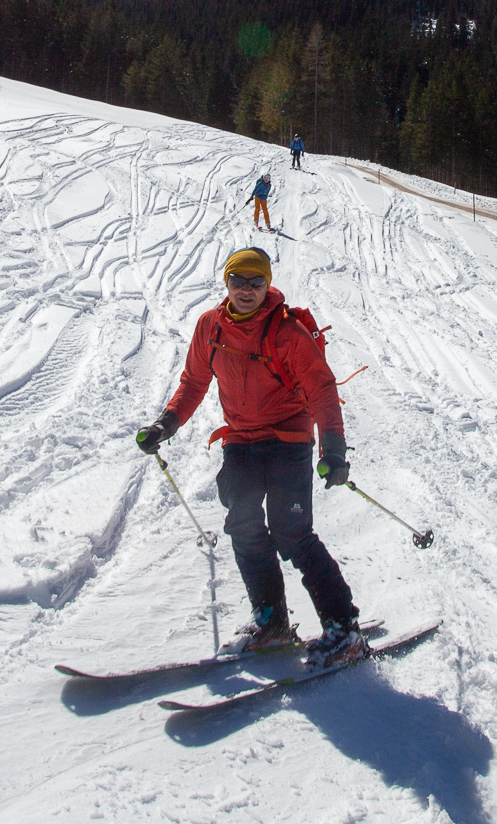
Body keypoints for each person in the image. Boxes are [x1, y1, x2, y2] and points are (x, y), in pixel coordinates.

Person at [135, 246, 363, 661]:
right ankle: (271, 620)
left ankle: (344, 628)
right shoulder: (211, 326)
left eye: (256, 281)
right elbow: (194, 382)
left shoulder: (288, 332)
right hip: (241, 438)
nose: (246, 289)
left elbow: (322, 388)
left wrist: (333, 447)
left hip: (288, 439)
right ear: (226, 283)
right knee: (242, 523)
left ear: (267, 284)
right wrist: (165, 425)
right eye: (238, 280)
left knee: (292, 533)